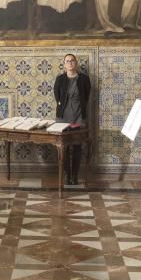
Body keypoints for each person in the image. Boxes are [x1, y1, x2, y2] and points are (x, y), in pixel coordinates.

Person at [53, 54, 92, 185]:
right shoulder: (60, 79)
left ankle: (74, 176)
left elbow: (86, 96)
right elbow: (57, 95)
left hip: (78, 116)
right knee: (63, 146)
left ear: (76, 63)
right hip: (63, 117)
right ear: (64, 64)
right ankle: (67, 175)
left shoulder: (84, 79)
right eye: (67, 61)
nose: (70, 63)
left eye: (72, 61)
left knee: (76, 146)